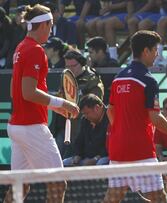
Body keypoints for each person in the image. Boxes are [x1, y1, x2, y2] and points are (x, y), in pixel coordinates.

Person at [103, 30, 167, 203]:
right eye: (155, 49)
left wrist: (123, 129)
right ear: (146, 51)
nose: (157, 54)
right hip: (140, 149)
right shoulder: (148, 80)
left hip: (117, 147)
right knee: (159, 198)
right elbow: (155, 117)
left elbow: (109, 111)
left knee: (113, 197)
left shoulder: (118, 78)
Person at [4, 4, 79, 203]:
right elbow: (28, 92)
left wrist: (56, 107)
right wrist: (63, 102)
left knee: (20, 186)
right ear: (44, 25)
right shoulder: (36, 51)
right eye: (51, 24)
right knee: (58, 183)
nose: (52, 29)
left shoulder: (20, 47)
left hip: (17, 127)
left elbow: (16, 90)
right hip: (32, 128)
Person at [63, 94, 109, 166]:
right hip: (85, 158)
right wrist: (77, 156)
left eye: (87, 113)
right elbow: (79, 140)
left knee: (101, 163)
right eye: (84, 114)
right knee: (64, 163)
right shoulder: (85, 120)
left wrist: (95, 159)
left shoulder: (110, 117)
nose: (85, 116)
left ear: (97, 108)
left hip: (103, 157)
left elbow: (110, 146)